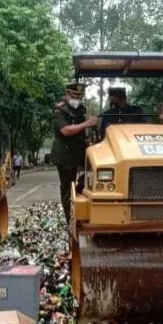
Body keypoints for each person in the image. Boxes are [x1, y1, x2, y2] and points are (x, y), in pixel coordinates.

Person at [50, 83, 98, 223]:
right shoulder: (59, 110)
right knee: (67, 188)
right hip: (65, 156)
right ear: (67, 94)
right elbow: (65, 130)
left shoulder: (80, 110)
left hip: (80, 153)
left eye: (80, 97)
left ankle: (82, 212)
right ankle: (70, 219)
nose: (78, 100)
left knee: (84, 183)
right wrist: (87, 123)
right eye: (75, 97)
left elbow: (83, 132)